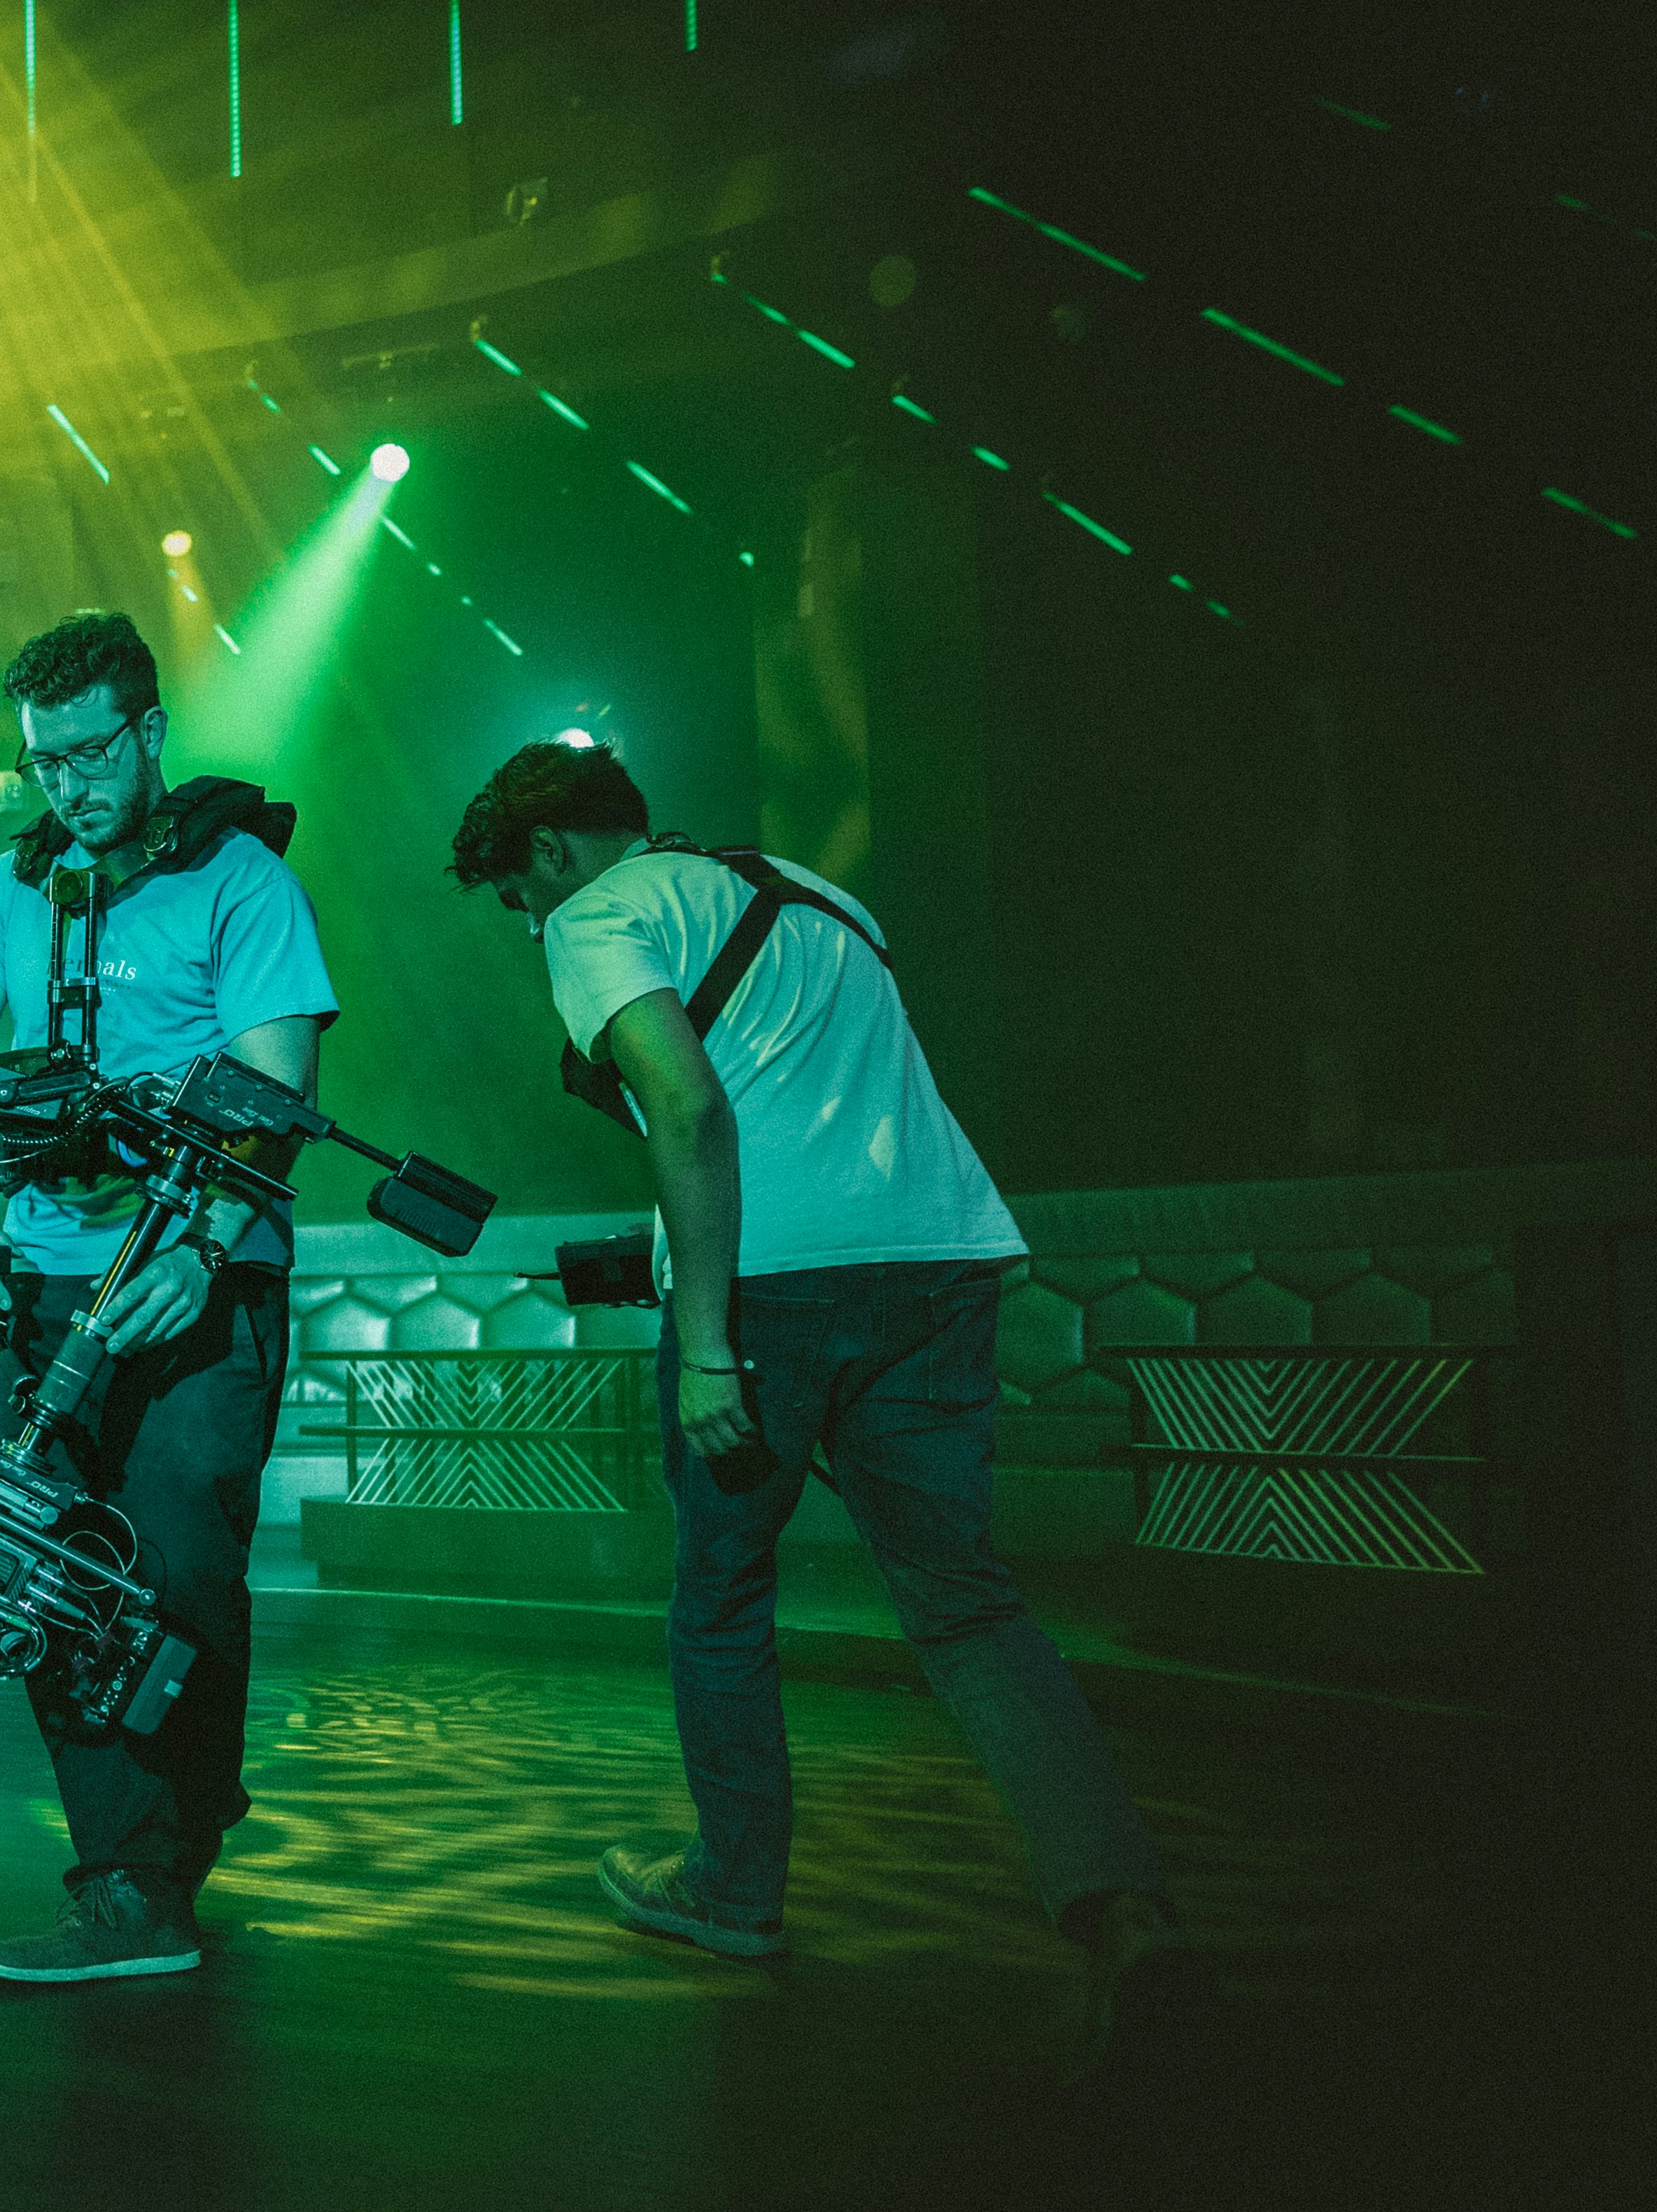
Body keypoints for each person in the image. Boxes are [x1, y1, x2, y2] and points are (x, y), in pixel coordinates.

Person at [450, 739, 1178, 2060]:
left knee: (722, 1604)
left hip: (774, 1288)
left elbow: (693, 1109)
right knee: (968, 1609)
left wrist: (712, 1340)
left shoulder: (599, 914)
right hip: (939, 1258)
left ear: (547, 854)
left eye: (518, 899)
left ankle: (734, 1890)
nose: (529, 926)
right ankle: (1124, 1910)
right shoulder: (812, 888)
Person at [0, 610, 339, 1983]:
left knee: (183, 1568)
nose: (67, 788)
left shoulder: (243, 881)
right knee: (30, 1562)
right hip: (43, 1284)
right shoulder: (10, 887)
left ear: (148, 732)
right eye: (42, 763)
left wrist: (200, 1249)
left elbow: (277, 1100)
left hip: (200, 1293)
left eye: (89, 755)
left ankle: (166, 1851)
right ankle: (128, 1881)